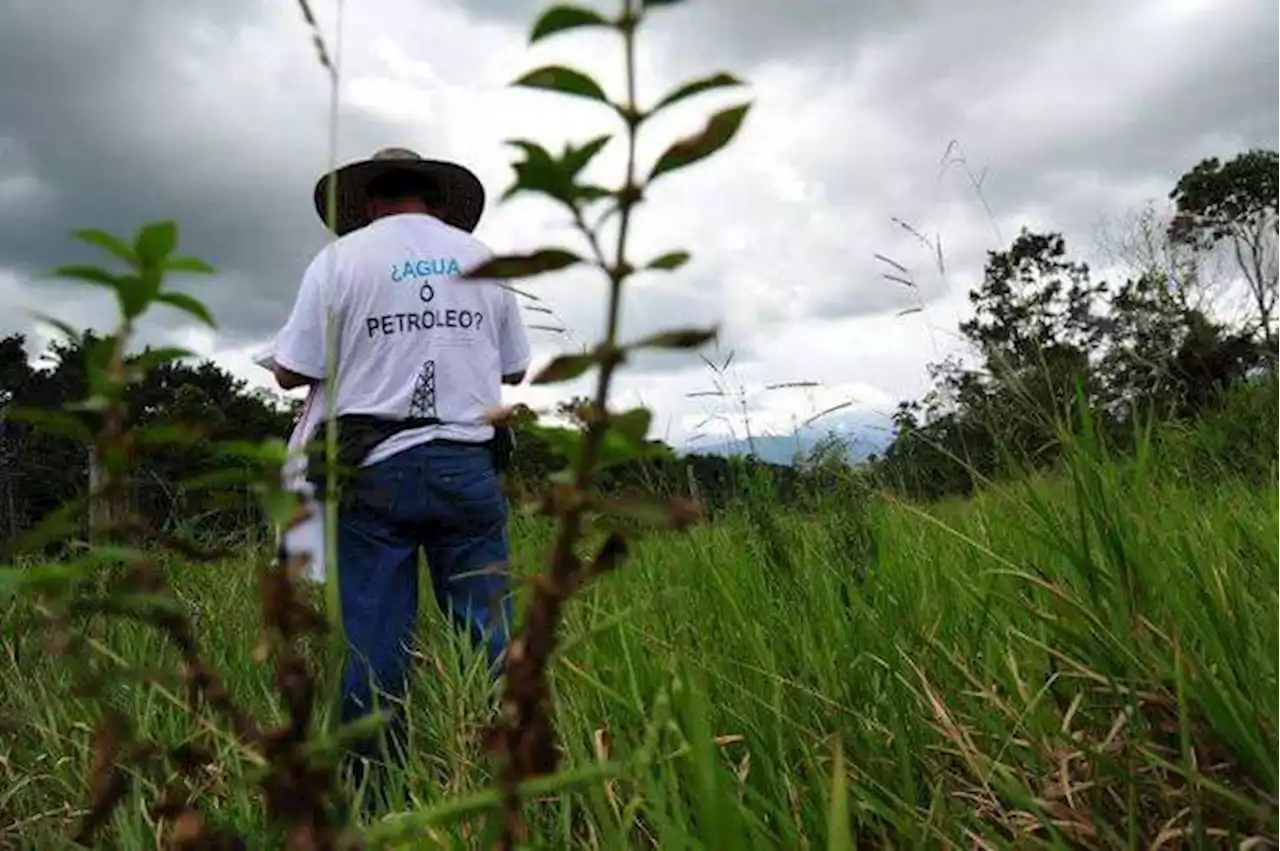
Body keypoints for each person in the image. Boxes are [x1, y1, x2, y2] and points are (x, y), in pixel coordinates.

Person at [267, 146, 531, 806]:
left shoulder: (340, 260)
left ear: (369, 203)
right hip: (468, 464)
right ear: (438, 201)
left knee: (373, 638)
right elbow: (515, 368)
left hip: (371, 468)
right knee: (490, 632)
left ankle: (374, 793)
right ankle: (516, 776)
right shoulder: (482, 261)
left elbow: (291, 368)